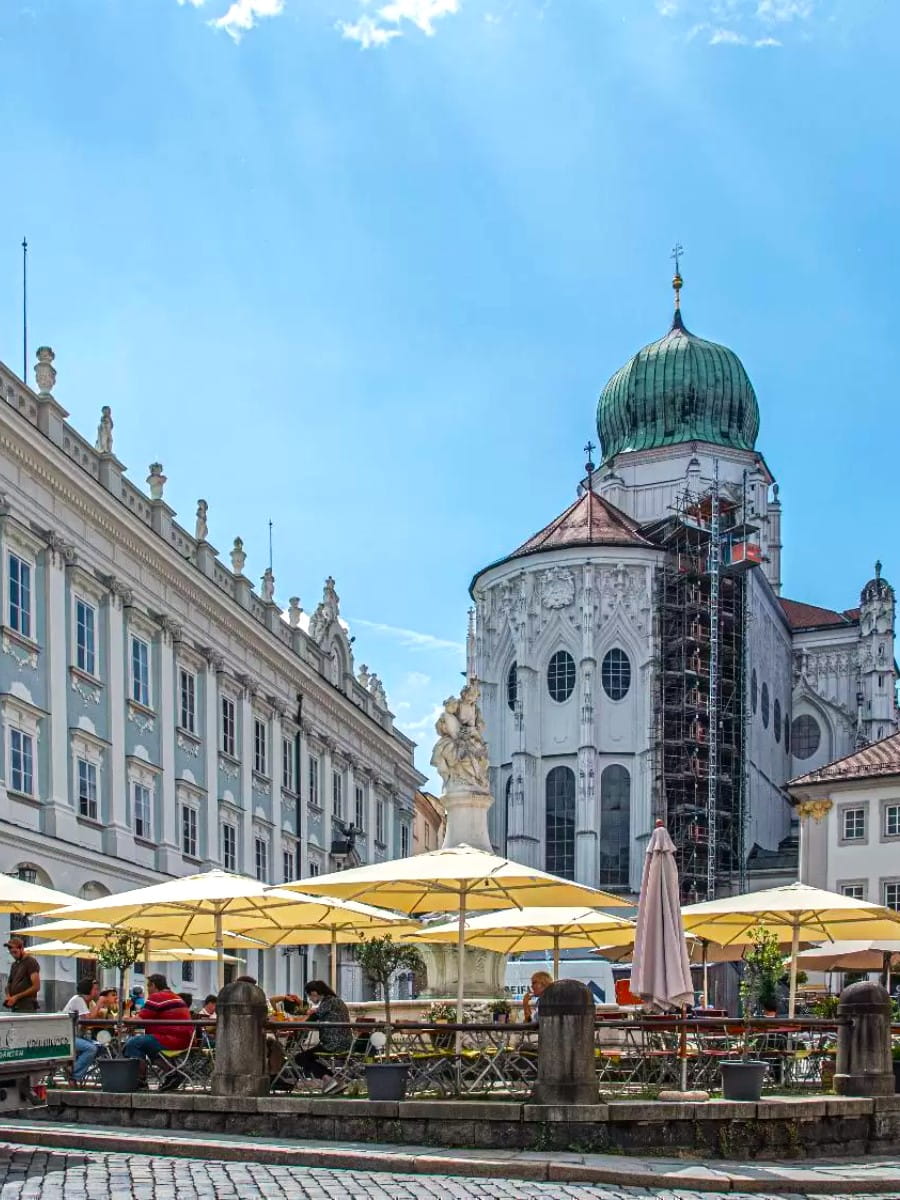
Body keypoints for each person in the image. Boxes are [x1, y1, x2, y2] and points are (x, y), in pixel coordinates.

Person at [123, 973, 193, 1091]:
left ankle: (140, 1081)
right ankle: (172, 1074)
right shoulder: (176, 996)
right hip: (184, 1039)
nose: (148, 990)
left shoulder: (157, 997)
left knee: (133, 1043)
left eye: (148, 987)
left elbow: (139, 1019)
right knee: (148, 1047)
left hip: (171, 1039)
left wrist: (125, 1018)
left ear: (154, 985)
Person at [295, 980, 352, 1088]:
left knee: (300, 1058)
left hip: (333, 1044)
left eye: (310, 996)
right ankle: (333, 1079)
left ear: (315, 993)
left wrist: (298, 1022)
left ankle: (330, 1079)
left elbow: (313, 1018)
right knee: (308, 1056)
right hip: (345, 1042)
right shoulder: (336, 1001)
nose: (310, 999)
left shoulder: (328, 1002)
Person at [62, 977, 103, 1083]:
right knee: (91, 1049)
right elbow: (88, 1019)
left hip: (76, 1036)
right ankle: (73, 1075)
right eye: (95, 989)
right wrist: (99, 1004)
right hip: (67, 1037)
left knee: (100, 1046)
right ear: (88, 990)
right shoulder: (78, 999)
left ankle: (75, 1072)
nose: (97, 992)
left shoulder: (86, 1001)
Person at [3, 936, 40, 1012]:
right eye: (11, 953)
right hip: (15, 1006)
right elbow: (9, 984)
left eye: (15, 952)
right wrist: (8, 996)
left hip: (27, 1007)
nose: (13, 955)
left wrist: (16, 997)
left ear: (22, 949)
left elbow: (36, 987)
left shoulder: (30, 962)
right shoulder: (14, 965)